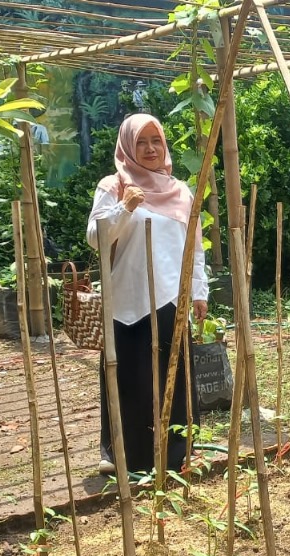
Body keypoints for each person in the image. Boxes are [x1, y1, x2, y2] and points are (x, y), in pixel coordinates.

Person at [86, 113, 208, 476]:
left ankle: (176, 453)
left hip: (170, 298)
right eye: (141, 142)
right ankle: (122, 455)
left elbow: (194, 247)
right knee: (129, 378)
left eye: (156, 141)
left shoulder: (181, 192)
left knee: (174, 376)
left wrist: (198, 291)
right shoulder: (114, 185)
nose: (150, 149)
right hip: (126, 301)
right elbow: (95, 238)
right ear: (127, 145)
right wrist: (125, 207)